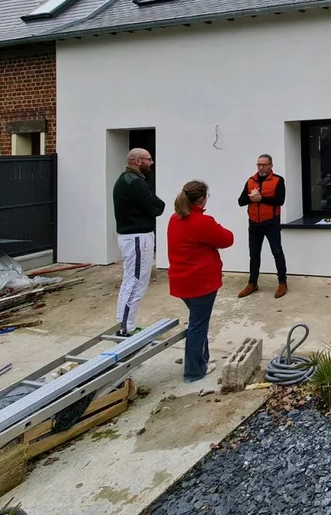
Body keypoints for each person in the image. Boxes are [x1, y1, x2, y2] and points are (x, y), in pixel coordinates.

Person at [167, 180, 234, 383]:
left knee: (198, 321)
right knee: (198, 325)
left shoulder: (174, 218)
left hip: (182, 283)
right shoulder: (201, 222)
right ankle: (194, 371)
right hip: (200, 284)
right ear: (202, 199)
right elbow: (227, 239)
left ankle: (202, 360)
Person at [112, 148, 165, 336]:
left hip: (136, 236)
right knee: (134, 281)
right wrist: (154, 203)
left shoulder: (130, 180)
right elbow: (157, 207)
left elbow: (154, 204)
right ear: (136, 161)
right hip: (136, 237)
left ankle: (128, 324)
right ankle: (125, 329)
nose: (151, 163)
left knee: (135, 280)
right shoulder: (134, 183)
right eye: (148, 159)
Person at [236, 154, 288, 298]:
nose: (261, 167)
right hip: (254, 223)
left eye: (264, 164)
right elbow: (240, 201)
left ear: (271, 165)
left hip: (271, 222)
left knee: (277, 252)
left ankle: (282, 282)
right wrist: (250, 197)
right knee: (254, 254)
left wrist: (262, 198)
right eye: (259, 164)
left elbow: (280, 200)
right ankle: (252, 283)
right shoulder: (250, 181)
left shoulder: (278, 180)